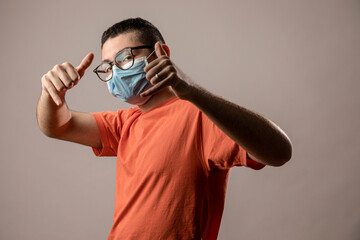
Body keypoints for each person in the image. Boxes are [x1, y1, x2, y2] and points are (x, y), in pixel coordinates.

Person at [36, 18, 292, 240]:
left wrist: (191, 91)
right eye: (108, 67)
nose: (115, 73)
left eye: (124, 58)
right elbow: (58, 126)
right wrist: (52, 94)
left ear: (161, 53)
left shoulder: (199, 114)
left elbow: (279, 151)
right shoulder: (124, 123)